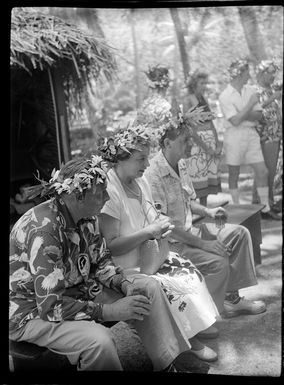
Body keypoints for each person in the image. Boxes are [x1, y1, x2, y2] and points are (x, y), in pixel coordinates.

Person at [9, 155, 200, 372]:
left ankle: (165, 365)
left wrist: (125, 285)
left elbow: (100, 262)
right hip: (31, 312)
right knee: (99, 341)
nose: (107, 198)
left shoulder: (86, 216)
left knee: (148, 288)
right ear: (78, 196)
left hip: (76, 291)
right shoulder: (45, 233)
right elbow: (51, 307)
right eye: (100, 193)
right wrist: (109, 311)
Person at [99, 123, 220, 363]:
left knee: (186, 270)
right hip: (125, 267)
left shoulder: (140, 181)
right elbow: (111, 246)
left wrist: (160, 223)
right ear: (121, 159)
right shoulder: (109, 190)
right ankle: (188, 342)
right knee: (168, 285)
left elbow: (151, 215)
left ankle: (195, 325)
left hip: (151, 255)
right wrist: (149, 232)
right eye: (141, 159)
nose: (147, 164)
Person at [144, 113, 267, 319]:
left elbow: (188, 200)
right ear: (167, 143)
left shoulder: (181, 163)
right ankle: (210, 310)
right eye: (185, 140)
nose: (192, 143)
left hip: (191, 231)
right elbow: (166, 226)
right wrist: (203, 244)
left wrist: (208, 211)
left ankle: (231, 299)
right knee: (218, 258)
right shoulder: (153, 174)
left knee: (240, 234)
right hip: (173, 244)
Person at [218, 58, 280, 220]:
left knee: (263, 171)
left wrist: (242, 113)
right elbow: (235, 121)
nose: (249, 75)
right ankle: (237, 208)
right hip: (234, 136)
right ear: (239, 73)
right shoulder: (225, 96)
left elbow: (258, 115)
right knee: (234, 174)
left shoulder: (250, 90)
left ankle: (265, 207)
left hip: (251, 134)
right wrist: (247, 109)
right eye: (247, 72)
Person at [183, 71, 222, 206]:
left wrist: (217, 143)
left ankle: (205, 212)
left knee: (206, 182)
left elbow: (211, 123)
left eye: (206, 83)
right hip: (196, 145)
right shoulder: (188, 100)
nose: (204, 85)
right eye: (202, 83)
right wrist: (205, 148)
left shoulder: (203, 99)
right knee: (196, 180)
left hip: (209, 142)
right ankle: (193, 215)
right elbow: (190, 128)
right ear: (194, 84)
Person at [251, 60, 282, 213]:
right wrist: (272, 99)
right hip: (264, 137)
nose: (273, 76)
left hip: (275, 136)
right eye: (271, 73)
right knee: (264, 172)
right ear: (262, 73)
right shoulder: (255, 91)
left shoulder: (271, 90)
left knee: (270, 172)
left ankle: (266, 203)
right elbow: (253, 111)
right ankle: (261, 206)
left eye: (274, 73)